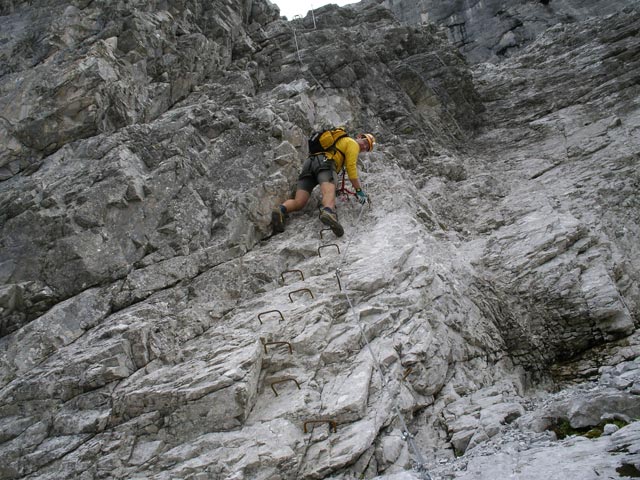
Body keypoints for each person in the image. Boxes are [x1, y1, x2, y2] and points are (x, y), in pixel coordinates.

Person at [271, 132, 376, 237]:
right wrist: (358, 190)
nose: (364, 146)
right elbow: (351, 167)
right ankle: (327, 212)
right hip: (325, 163)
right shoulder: (352, 143)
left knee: (299, 202)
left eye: (367, 148)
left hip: (309, 163)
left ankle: (281, 210)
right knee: (329, 193)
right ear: (359, 137)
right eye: (365, 142)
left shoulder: (339, 141)